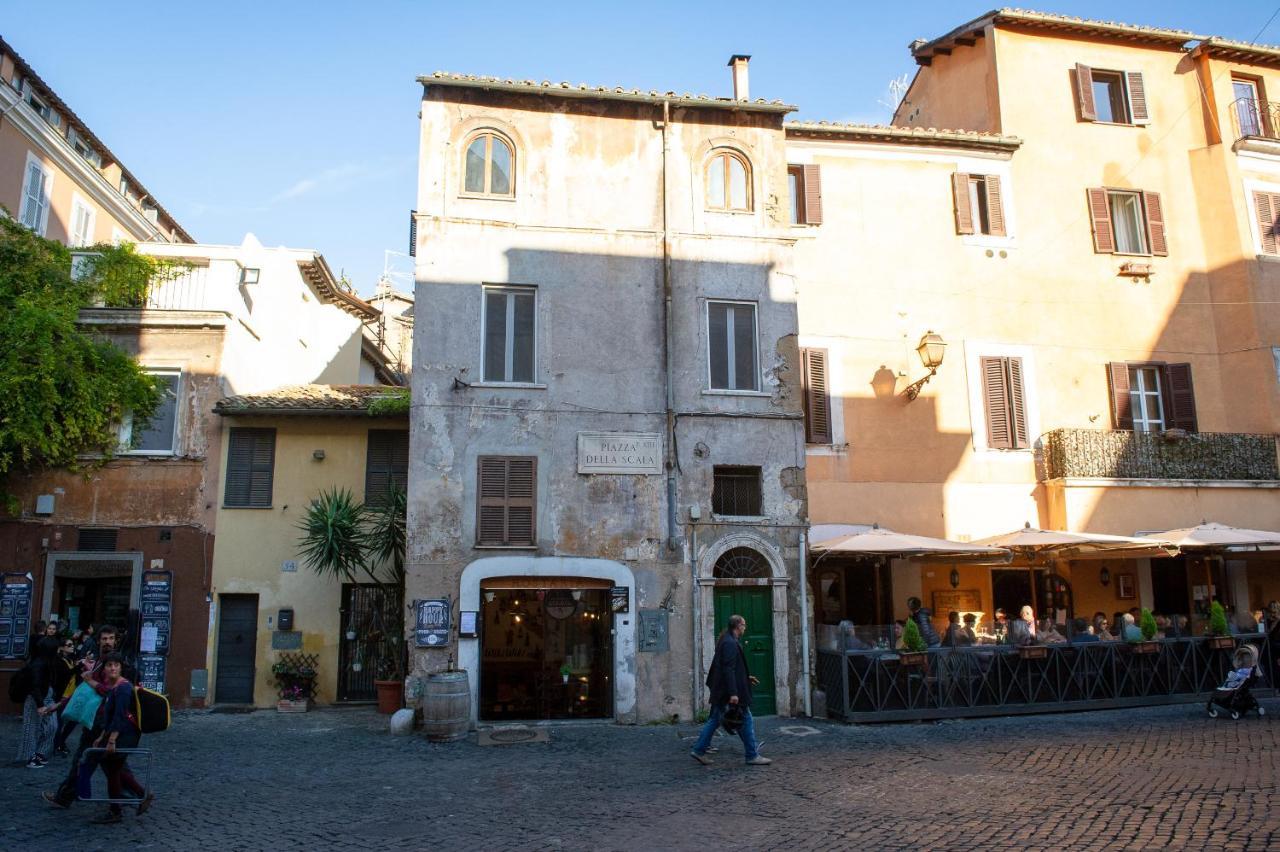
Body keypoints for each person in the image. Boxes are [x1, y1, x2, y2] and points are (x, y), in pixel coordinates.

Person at [42, 624, 145, 811]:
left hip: (105, 722)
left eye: (111, 639)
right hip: (97, 720)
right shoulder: (100, 662)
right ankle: (134, 795)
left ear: (116, 640)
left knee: (87, 760)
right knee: (110, 765)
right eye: (104, 639)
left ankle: (66, 797)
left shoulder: (117, 665)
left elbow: (115, 692)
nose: (107, 642)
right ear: (98, 641)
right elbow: (84, 692)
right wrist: (59, 705)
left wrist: (92, 681)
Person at [691, 614, 770, 766]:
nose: (745, 628)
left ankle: (699, 750)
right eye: (744, 625)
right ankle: (752, 755)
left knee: (715, 720)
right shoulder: (730, 643)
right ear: (738, 626)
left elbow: (731, 668)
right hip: (727, 692)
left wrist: (746, 678)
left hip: (722, 690)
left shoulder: (727, 640)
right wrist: (734, 693)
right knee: (745, 718)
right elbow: (728, 668)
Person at [84, 653, 150, 824]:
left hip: (124, 735)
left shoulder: (123, 688)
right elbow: (110, 715)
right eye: (109, 665)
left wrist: (111, 740)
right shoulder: (114, 686)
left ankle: (117, 810)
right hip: (118, 733)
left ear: (121, 667)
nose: (113, 668)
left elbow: (120, 717)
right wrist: (101, 736)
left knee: (112, 769)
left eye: (116, 665)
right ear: (104, 668)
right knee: (113, 768)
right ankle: (140, 796)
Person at [15, 632, 60, 768]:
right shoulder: (37, 664)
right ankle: (29, 757)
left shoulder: (47, 663)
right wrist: (40, 704)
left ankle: (40, 753)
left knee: (52, 726)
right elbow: (34, 686)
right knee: (31, 728)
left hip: (46, 696)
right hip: (36, 698)